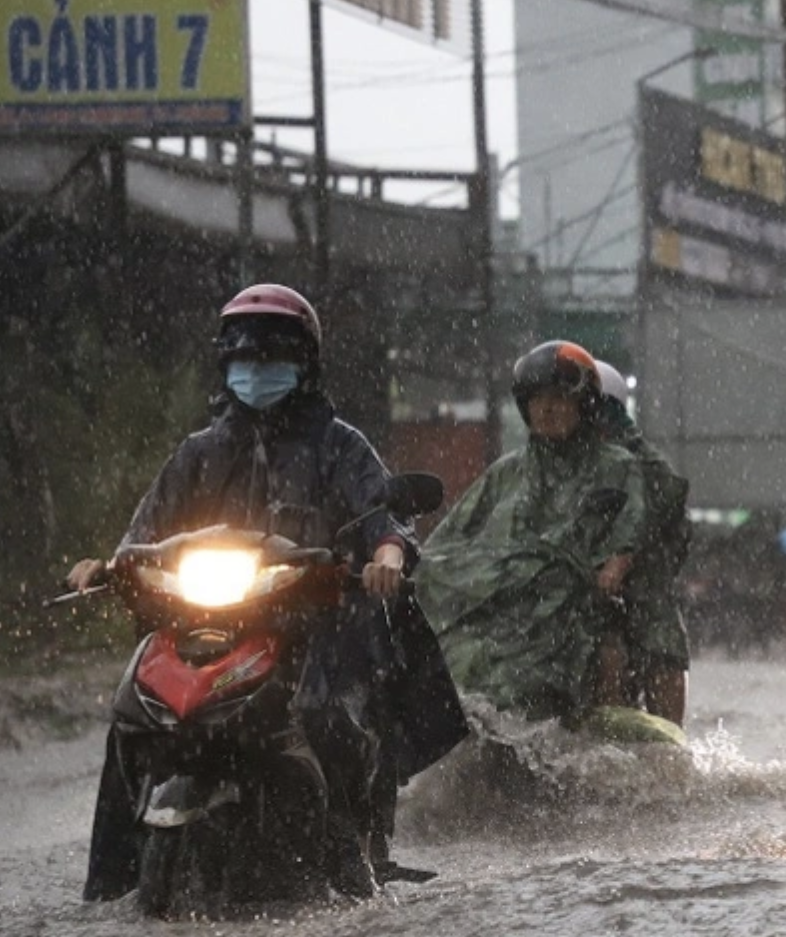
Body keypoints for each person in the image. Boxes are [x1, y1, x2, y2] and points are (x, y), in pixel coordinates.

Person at [69, 284, 467, 901]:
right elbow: (145, 533)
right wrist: (107, 566)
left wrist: (387, 549)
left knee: (326, 714)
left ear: (304, 363)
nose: (256, 371)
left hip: (310, 627)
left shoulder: (340, 445)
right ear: (225, 364)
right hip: (205, 625)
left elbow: (384, 513)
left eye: (272, 357)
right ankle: (109, 883)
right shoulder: (199, 452)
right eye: (243, 358)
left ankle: (353, 857)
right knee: (133, 717)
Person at [417, 341, 646, 720]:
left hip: (571, 611)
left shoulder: (616, 466)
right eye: (537, 399)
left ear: (584, 404)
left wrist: (615, 565)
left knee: (601, 655)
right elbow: (449, 540)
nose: (547, 408)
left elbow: (633, 524)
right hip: (498, 607)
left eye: (558, 397)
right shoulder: (507, 472)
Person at [589, 358, 692, 724]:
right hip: (576, 597)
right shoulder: (548, 465)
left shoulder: (647, 468)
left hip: (645, 596)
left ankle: (668, 752)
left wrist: (626, 563)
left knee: (663, 655)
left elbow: (668, 533)